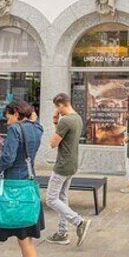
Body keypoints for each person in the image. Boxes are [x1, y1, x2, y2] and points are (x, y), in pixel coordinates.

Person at [0, 100, 44, 257]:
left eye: (8, 118)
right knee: (26, 240)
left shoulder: (15, 129)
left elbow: (8, 158)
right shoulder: (37, 128)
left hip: (7, 190)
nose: (7, 122)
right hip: (26, 189)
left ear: (16, 113)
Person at [45, 93, 91, 247]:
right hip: (72, 163)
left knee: (51, 199)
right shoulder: (77, 118)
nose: (57, 111)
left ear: (61, 105)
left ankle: (79, 221)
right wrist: (56, 121)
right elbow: (63, 136)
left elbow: (53, 143)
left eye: (57, 108)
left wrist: (56, 122)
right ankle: (62, 232)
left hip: (62, 165)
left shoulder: (66, 121)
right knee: (62, 197)